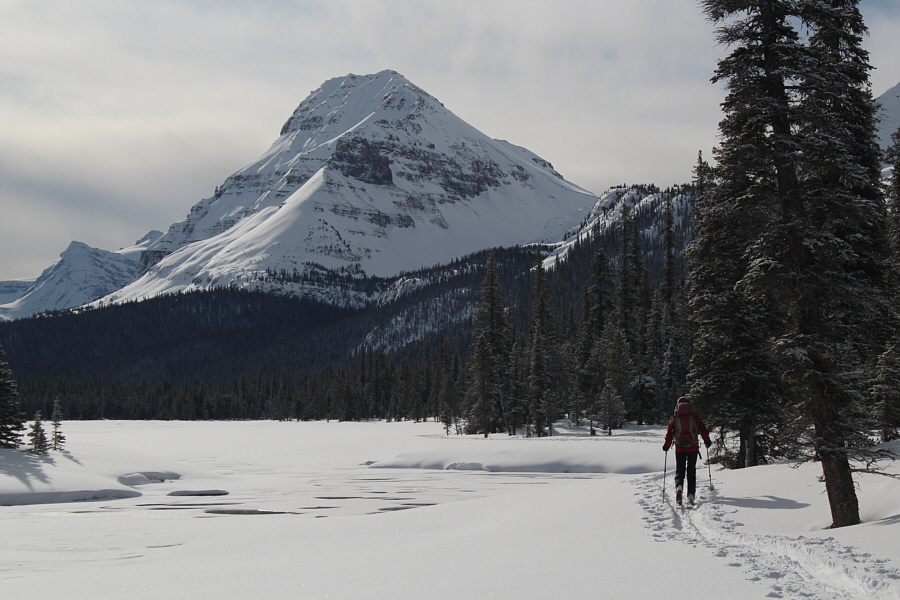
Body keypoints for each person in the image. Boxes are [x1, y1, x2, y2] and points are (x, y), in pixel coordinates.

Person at [662, 396, 711, 505]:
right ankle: (691, 495)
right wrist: (707, 440)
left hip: (680, 448)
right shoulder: (694, 416)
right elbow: (703, 429)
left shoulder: (675, 417)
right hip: (693, 447)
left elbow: (670, 433)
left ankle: (679, 487)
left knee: (680, 469)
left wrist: (666, 445)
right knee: (691, 470)